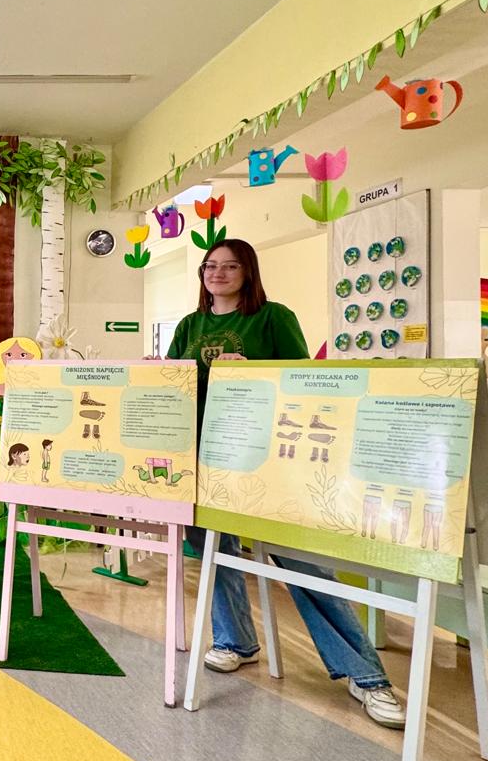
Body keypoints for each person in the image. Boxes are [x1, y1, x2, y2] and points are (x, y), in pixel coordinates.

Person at [168, 238, 406, 729]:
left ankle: (365, 674)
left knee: (300, 560)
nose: (217, 273)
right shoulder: (190, 324)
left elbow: (302, 379)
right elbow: (174, 381)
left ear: (248, 273)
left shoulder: (273, 317)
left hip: (268, 460)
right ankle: (235, 641)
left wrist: (256, 372)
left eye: (230, 266)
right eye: (210, 266)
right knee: (214, 552)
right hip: (203, 456)